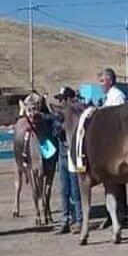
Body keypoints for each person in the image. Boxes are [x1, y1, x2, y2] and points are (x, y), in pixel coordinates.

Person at [99, 68, 128, 225]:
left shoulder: (117, 96)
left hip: (116, 143)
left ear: (110, 81)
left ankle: (121, 214)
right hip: (108, 144)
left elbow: (118, 121)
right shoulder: (109, 97)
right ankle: (113, 214)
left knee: (118, 179)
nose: (101, 85)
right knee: (111, 180)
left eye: (103, 81)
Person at [53, 87, 82, 234]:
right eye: (59, 99)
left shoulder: (77, 114)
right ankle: (65, 219)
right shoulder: (59, 116)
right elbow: (55, 131)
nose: (59, 102)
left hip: (73, 155)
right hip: (62, 155)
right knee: (64, 190)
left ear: (68, 99)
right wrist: (59, 126)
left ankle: (79, 219)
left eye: (61, 99)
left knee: (75, 189)